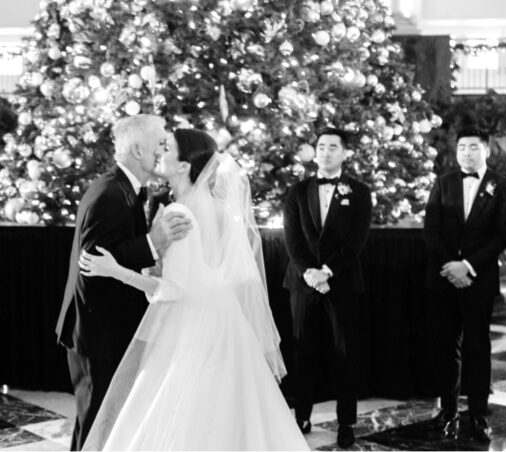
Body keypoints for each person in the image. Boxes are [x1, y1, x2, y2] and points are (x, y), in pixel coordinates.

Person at [77, 129, 307, 451]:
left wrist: (115, 271)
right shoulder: (216, 208)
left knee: (184, 411)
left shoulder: (178, 213)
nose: (160, 152)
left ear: (184, 166)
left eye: (167, 147)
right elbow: (214, 273)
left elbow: (173, 290)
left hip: (192, 325)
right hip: (224, 320)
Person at [55, 115, 190, 450]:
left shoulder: (124, 189)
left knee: (109, 420)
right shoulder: (110, 194)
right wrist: (153, 242)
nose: (163, 148)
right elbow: (93, 261)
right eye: (160, 141)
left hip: (108, 328)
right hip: (96, 332)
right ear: (137, 149)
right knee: (96, 422)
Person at [425, 130, 506, 443]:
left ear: (486, 150)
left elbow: (503, 234)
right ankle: (448, 411)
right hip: (445, 278)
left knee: (478, 347)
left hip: (479, 280)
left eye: (473, 147)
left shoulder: (501, 186)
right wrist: (452, 267)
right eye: (462, 147)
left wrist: (469, 266)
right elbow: (432, 230)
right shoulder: (443, 182)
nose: (466, 152)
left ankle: (478, 413)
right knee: (445, 347)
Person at [283, 128, 372, 448]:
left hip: (343, 281)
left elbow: (357, 240)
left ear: (344, 153)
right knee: (302, 349)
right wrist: (310, 272)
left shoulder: (359, 191)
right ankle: (301, 415)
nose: (326, 152)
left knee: (345, 353)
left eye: (333, 147)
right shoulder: (297, 191)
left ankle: (346, 421)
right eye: (321, 147)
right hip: (303, 283)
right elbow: (292, 237)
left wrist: (328, 271)